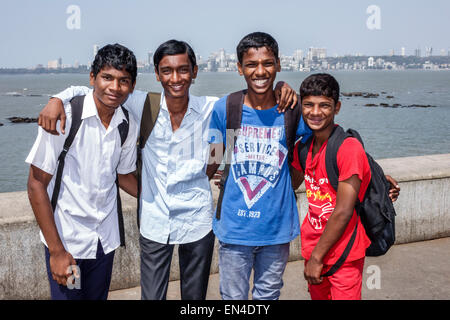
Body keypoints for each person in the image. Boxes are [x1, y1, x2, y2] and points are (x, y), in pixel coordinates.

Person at [36, 40, 298, 300]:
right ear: (157, 74)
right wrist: (57, 98)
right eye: (167, 71)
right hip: (155, 222)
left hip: (198, 221)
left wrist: (282, 87)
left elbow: (234, 126)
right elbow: (102, 89)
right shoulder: (142, 104)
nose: (176, 78)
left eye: (183, 70)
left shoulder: (211, 108)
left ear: (195, 72)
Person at [26, 44, 139, 300]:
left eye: (124, 81)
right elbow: (36, 184)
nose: (114, 87)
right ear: (92, 78)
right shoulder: (65, 116)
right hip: (69, 243)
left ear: (132, 86)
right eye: (107, 77)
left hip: (104, 243)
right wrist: (56, 252)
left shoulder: (127, 124)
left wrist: (156, 197)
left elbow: (122, 175)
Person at [206, 32, 312, 300]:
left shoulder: (291, 110)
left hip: (276, 228)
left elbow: (311, 148)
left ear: (278, 64)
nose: (260, 71)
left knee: (269, 294)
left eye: (267, 63)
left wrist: (287, 185)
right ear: (240, 68)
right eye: (251, 64)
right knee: (233, 297)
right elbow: (216, 156)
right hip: (234, 228)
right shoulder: (226, 108)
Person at [291, 73, 400, 300]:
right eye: (309, 105)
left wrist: (317, 259)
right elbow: (288, 183)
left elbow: (343, 211)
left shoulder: (348, 149)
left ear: (337, 107)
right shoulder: (302, 147)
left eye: (325, 105)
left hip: (344, 253)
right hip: (313, 246)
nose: (315, 112)